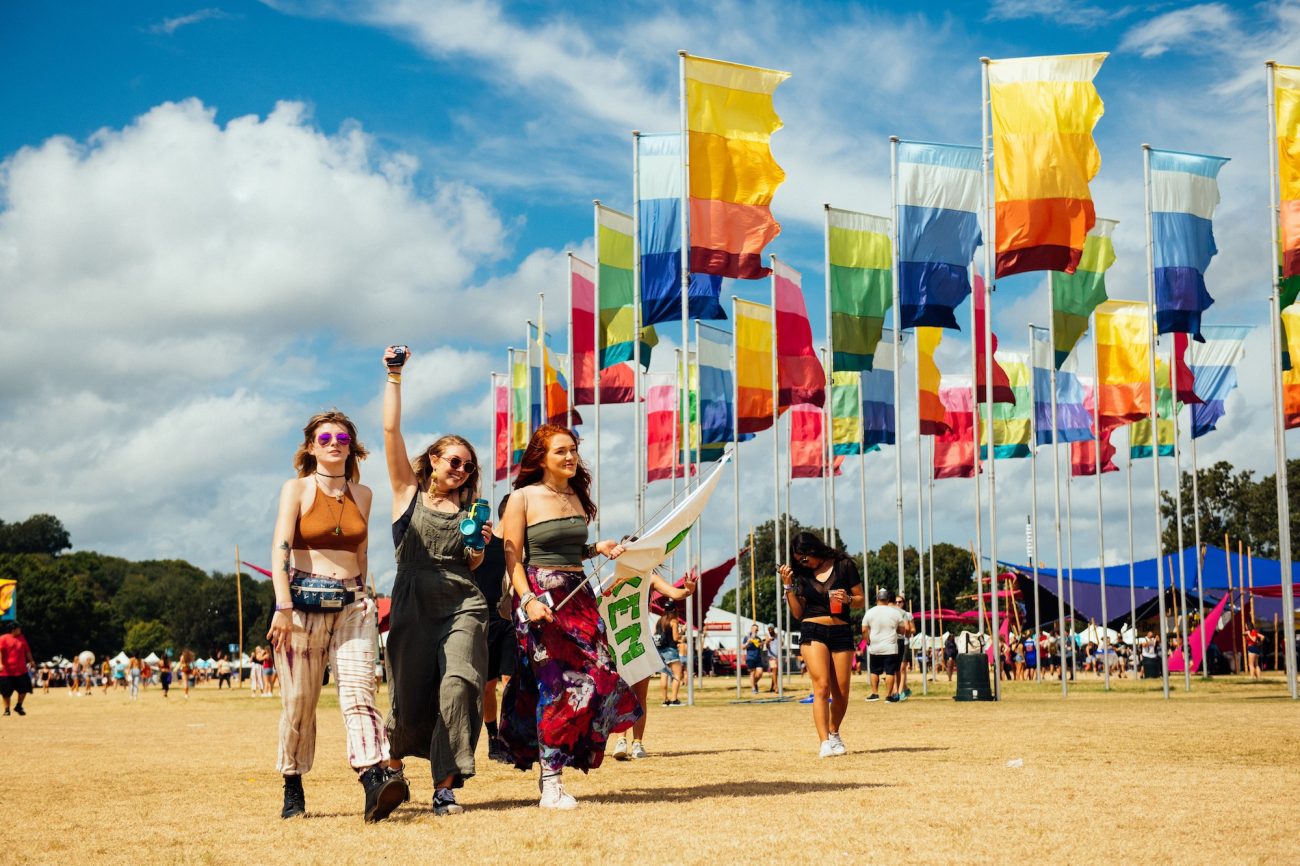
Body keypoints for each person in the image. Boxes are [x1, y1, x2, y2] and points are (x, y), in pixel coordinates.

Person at [266, 409, 406, 823]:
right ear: (311, 446)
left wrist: (365, 594)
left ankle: (373, 780)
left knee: (360, 693)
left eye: (342, 439)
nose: (333, 445)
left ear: (352, 447)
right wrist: (282, 606)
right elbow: (280, 550)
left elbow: (362, 552)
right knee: (299, 703)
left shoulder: (363, 494)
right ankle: (293, 783)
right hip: (301, 605)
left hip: (352, 605)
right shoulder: (296, 489)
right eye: (325, 439)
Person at [498, 424, 641, 810]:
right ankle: (551, 781)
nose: (570, 456)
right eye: (560, 451)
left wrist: (598, 547)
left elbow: (572, 550)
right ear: (540, 458)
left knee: (599, 674)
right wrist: (526, 600)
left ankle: (563, 754)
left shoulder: (577, 495)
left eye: (573, 449)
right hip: (538, 594)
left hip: (578, 595)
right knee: (558, 685)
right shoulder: (522, 497)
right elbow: (512, 557)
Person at [381, 347, 490, 817]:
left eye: (467, 466)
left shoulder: (471, 512)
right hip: (413, 600)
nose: (460, 470)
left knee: (460, 684)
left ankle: (445, 787)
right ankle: (391, 767)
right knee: (408, 690)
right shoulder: (407, 490)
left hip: (463, 600)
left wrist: (480, 544)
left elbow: (474, 563)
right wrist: (395, 374)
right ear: (433, 460)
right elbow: (390, 431)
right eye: (453, 461)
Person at [778, 531, 864, 758]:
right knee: (822, 686)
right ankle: (824, 741)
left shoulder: (844, 565)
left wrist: (847, 600)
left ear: (813, 550)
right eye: (798, 561)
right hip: (812, 628)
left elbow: (861, 600)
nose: (802, 563)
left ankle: (834, 732)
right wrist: (788, 587)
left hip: (841, 630)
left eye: (804, 558)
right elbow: (798, 612)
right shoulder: (802, 575)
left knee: (842, 691)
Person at [611, 573, 698, 761]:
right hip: (620, 642)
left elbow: (675, 593)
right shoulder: (615, 577)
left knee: (640, 695)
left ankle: (637, 743)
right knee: (622, 693)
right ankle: (620, 740)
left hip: (640, 640)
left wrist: (687, 590)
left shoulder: (649, 577)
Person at [474, 496, 517, 765]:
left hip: (508, 619)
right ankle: (492, 738)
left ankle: (509, 737)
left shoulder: (515, 547)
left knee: (510, 682)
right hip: (482, 618)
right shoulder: (484, 541)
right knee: (487, 686)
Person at [862, 589, 908, 703]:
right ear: (888, 599)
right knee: (890, 671)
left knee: (874, 671)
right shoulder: (896, 613)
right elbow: (903, 630)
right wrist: (896, 630)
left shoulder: (870, 612)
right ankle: (888, 696)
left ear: (877, 599)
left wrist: (867, 640)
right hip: (890, 647)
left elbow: (864, 629)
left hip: (875, 646)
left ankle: (874, 693)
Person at [0, 622, 35, 717]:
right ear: (13, 630)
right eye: (19, 628)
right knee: (5, 692)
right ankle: (7, 710)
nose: (20, 630)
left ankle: (19, 706)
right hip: (6, 671)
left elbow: (27, 650)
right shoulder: (3, 638)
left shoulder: (22, 638)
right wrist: (0, 663)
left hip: (21, 670)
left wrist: (31, 661)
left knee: (25, 689)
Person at [654, 608, 686, 707]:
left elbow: (655, 634)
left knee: (664, 675)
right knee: (677, 675)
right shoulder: (673, 621)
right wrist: (683, 631)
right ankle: (674, 699)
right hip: (671, 651)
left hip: (661, 651)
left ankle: (665, 700)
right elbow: (675, 637)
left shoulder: (660, 621)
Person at [894, 595, 914, 699]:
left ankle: (899, 692)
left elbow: (913, 629)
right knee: (895, 669)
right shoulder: (891, 614)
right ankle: (905, 689)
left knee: (902, 668)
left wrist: (907, 631)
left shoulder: (908, 615)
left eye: (900, 602)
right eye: (896, 602)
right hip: (893, 643)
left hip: (904, 643)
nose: (897, 603)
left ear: (903, 603)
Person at [744, 624, 764, 694]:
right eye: (755, 629)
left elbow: (761, 648)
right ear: (751, 629)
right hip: (750, 657)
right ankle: (753, 689)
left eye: (757, 630)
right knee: (752, 673)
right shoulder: (747, 637)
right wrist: (748, 642)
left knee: (760, 673)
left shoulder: (758, 638)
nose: (756, 631)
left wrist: (762, 645)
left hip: (758, 657)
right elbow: (742, 647)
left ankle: (754, 683)